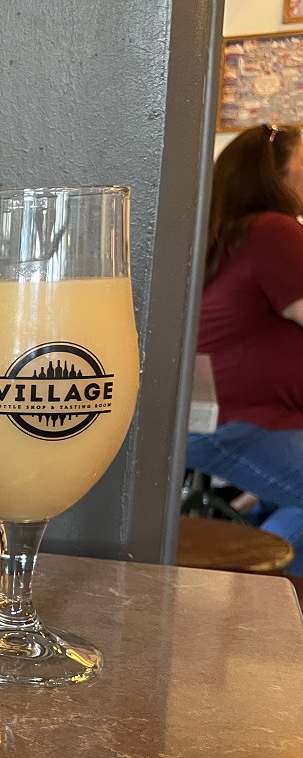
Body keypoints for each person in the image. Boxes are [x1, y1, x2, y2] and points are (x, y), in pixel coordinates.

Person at [187, 122, 303, 571]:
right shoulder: (274, 229)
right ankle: (257, 597)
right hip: (242, 423)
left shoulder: (229, 236)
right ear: (274, 174)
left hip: (226, 420)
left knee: (278, 500)